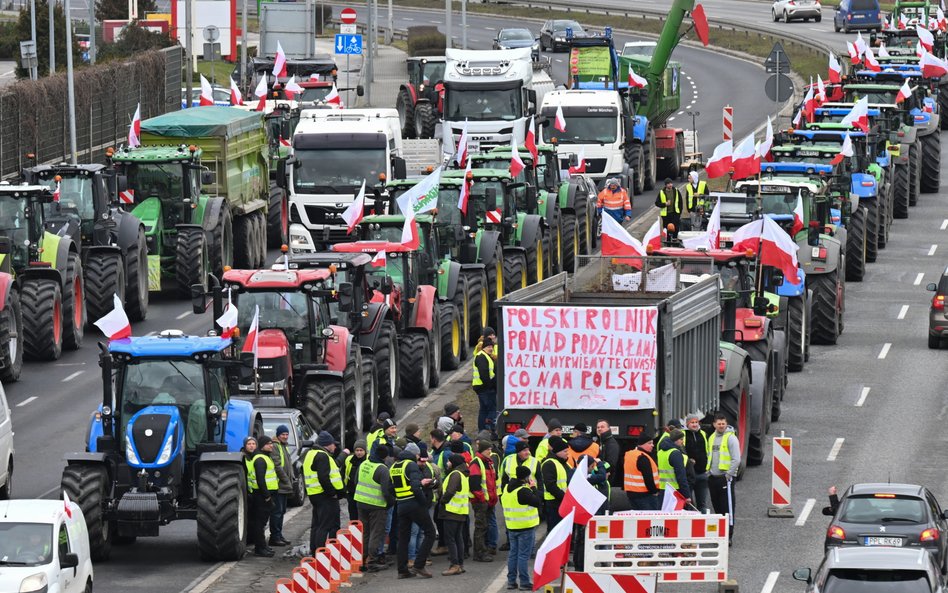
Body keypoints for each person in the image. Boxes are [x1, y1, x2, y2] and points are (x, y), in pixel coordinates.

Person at [390, 442, 436, 578]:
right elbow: (416, 488)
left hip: (401, 505)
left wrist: (400, 496)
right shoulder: (411, 465)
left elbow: (389, 488)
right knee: (430, 532)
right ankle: (419, 565)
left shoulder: (394, 467)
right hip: (414, 504)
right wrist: (423, 503)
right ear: (414, 455)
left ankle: (402, 570)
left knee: (403, 537)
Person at [354, 444, 394, 572]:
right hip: (376, 505)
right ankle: (372, 561)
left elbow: (356, 481)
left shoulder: (364, 464)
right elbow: (386, 491)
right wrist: (391, 502)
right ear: (385, 456)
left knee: (365, 532)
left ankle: (363, 560)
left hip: (360, 502)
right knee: (376, 533)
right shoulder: (382, 469)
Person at [303, 431, 344, 553]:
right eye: (333, 444)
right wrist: (332, 493)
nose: (335, 447)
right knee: (325, 526)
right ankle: (321, 554)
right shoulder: (322, 456)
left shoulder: (310, 454)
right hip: (324, 496)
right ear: (327, 444)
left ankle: (314, 551)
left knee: (316, 525)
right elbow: (323, 477)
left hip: (314, 494)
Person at [503, 466, 541, 591]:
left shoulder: (507, 489)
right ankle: (524, 582)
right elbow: (537, 501)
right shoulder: (523, 491)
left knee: (513, 554)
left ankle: (511, 581)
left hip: (512, 527)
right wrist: (534, 487)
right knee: (523, 556)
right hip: (525, 527)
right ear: (526, 477)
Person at [707, 413, 741, 543]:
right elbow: (710, 455)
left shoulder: (731, 438)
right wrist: (708, 472)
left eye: (723, 423)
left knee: (727, 508)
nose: (721, 426)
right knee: (717, 508)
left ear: (726, 424)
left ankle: (728, 536)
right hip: (713, 477)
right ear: (714, 424)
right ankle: (720, 534)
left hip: (725, 478)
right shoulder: (711, 438)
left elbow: (736, 459)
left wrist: (728, 475)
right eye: (719, 423)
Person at [439, 454, 471, 576]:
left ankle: (454, 565)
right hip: (460, 511)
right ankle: (460, 565)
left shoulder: (455, 474)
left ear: (453, 462)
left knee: (451, 539)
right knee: (458, 539)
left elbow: (450, 491)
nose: (447, 463)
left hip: (451, 511)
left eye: (449, 461)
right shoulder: (462, 474)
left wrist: (442, 500)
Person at [244, 436, 276, 557]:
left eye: (271, 443)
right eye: (269, 444)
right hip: (261, 495)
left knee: (261, 522)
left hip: (263, 494)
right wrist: (267, 497)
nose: (271, 445)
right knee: (259, 523)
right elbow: (260, 480)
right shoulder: (260, 459)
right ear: (262, 445)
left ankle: (263, 546)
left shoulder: (263, 457)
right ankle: (260, 548)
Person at [409, 443, 440, 566]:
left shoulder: (429, 467)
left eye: (425, 461)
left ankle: (421, 556)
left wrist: (433, 483)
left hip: (427, 503)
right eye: (421, 461)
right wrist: (422, 484)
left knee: (422, 532)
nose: (423, 463)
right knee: (414, 532)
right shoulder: (413, 469)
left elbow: (437, 482)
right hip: (416, 504)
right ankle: (412, 557)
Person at [469, 440, 498, 562]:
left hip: (487, 500)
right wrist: (483, 499)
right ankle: (480, 553)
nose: (490, 452)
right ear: (482, 450)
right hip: (481, 501)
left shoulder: (487, 462)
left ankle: (483, 550)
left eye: (490, 449)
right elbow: (475, 485)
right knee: (481, 527)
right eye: (488, 449)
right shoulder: (477, 463)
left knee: (484, 526)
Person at [268, 426, 294, 547]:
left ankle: (279, 535)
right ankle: (275, 537)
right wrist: (286, 481)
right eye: (283, 434)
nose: (285, 436)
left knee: (282, 511)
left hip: (284, 485)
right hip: (279, 485)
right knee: (277, 512)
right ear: (278, 435)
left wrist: (292, 477)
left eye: (286, 434)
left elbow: (288, 464)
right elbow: (278, 466)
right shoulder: (275, 447)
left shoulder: (284, 446)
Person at [623, 433, 660, 510]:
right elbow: (648, 479)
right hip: (645, 495)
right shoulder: (643, 458)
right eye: (649, 443)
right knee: (650, 520)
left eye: (652, 443)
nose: (652, 445)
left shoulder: (630, 455)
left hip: (631, 494)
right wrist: (654, 491)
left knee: (639, 520)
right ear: (641, 444)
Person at [540, 436, 571, 528]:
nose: (567, 454)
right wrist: (565, 497)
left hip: (561, 501)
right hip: (553, 503)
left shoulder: (562, 462)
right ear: (558, 452)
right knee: (554, 530)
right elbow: (550, 486)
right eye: (565, 451)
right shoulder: (549, 463)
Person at [657, 429, 692, 504]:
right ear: (675, 440)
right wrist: (687, 495)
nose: (682, 442)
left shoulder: (660, 452)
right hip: (674, 491)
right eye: (681, 439)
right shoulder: (675, 453)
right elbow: (681, 476)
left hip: (662, 488)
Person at [685, 414, 711, 513]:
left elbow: (707, 451)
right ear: (687, 424)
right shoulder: (683, 435)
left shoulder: (703, 434)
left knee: (702, 504)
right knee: (689, 504)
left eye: (696, 422)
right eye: (692, 422)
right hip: (689, 475)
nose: (695, 424)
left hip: (702, 473)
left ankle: (703, 523)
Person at [473, 337, 498, 433]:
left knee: (483, 410)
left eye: (491, 346)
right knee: (491, 410)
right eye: (488, 346)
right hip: (485, 388)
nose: (491, 348)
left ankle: (482, 430)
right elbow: (484, 374)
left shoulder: (486, 356)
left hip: (482, 388)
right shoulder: (482, 357)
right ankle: (489, 427)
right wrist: (491, 386)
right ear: (484, 347)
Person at [343, 439, 367, 522]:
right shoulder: (349, 460)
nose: (359, 453)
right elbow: (343, 474)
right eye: (357, 450)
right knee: (353, 517)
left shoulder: (368, 460)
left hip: (364, 494)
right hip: (351, 493)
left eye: (361, 450)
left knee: (363, 518)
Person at [596, 419, 620, 488]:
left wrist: (603, 471)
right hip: (601, 475)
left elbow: (611, 463)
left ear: (608, 429)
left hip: (606, 476)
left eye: (602, 427)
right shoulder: (601, 441)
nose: (599, 429)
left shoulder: (611, 444)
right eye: (598, 427)